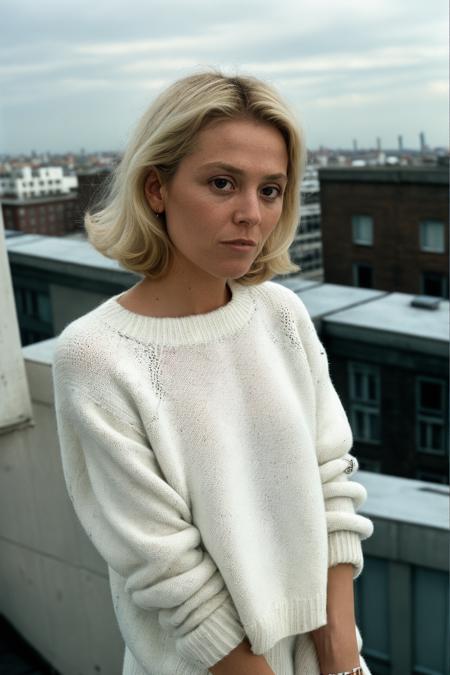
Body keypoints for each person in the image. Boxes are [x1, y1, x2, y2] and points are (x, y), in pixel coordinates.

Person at [52, 70, 374, 675]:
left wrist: (341, 656)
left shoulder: (282, 314)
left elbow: (332, 483)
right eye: (223, 183)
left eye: (271, 190)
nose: (252, 214)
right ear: (156, 189)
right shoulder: (94, 356)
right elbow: (170, 573)